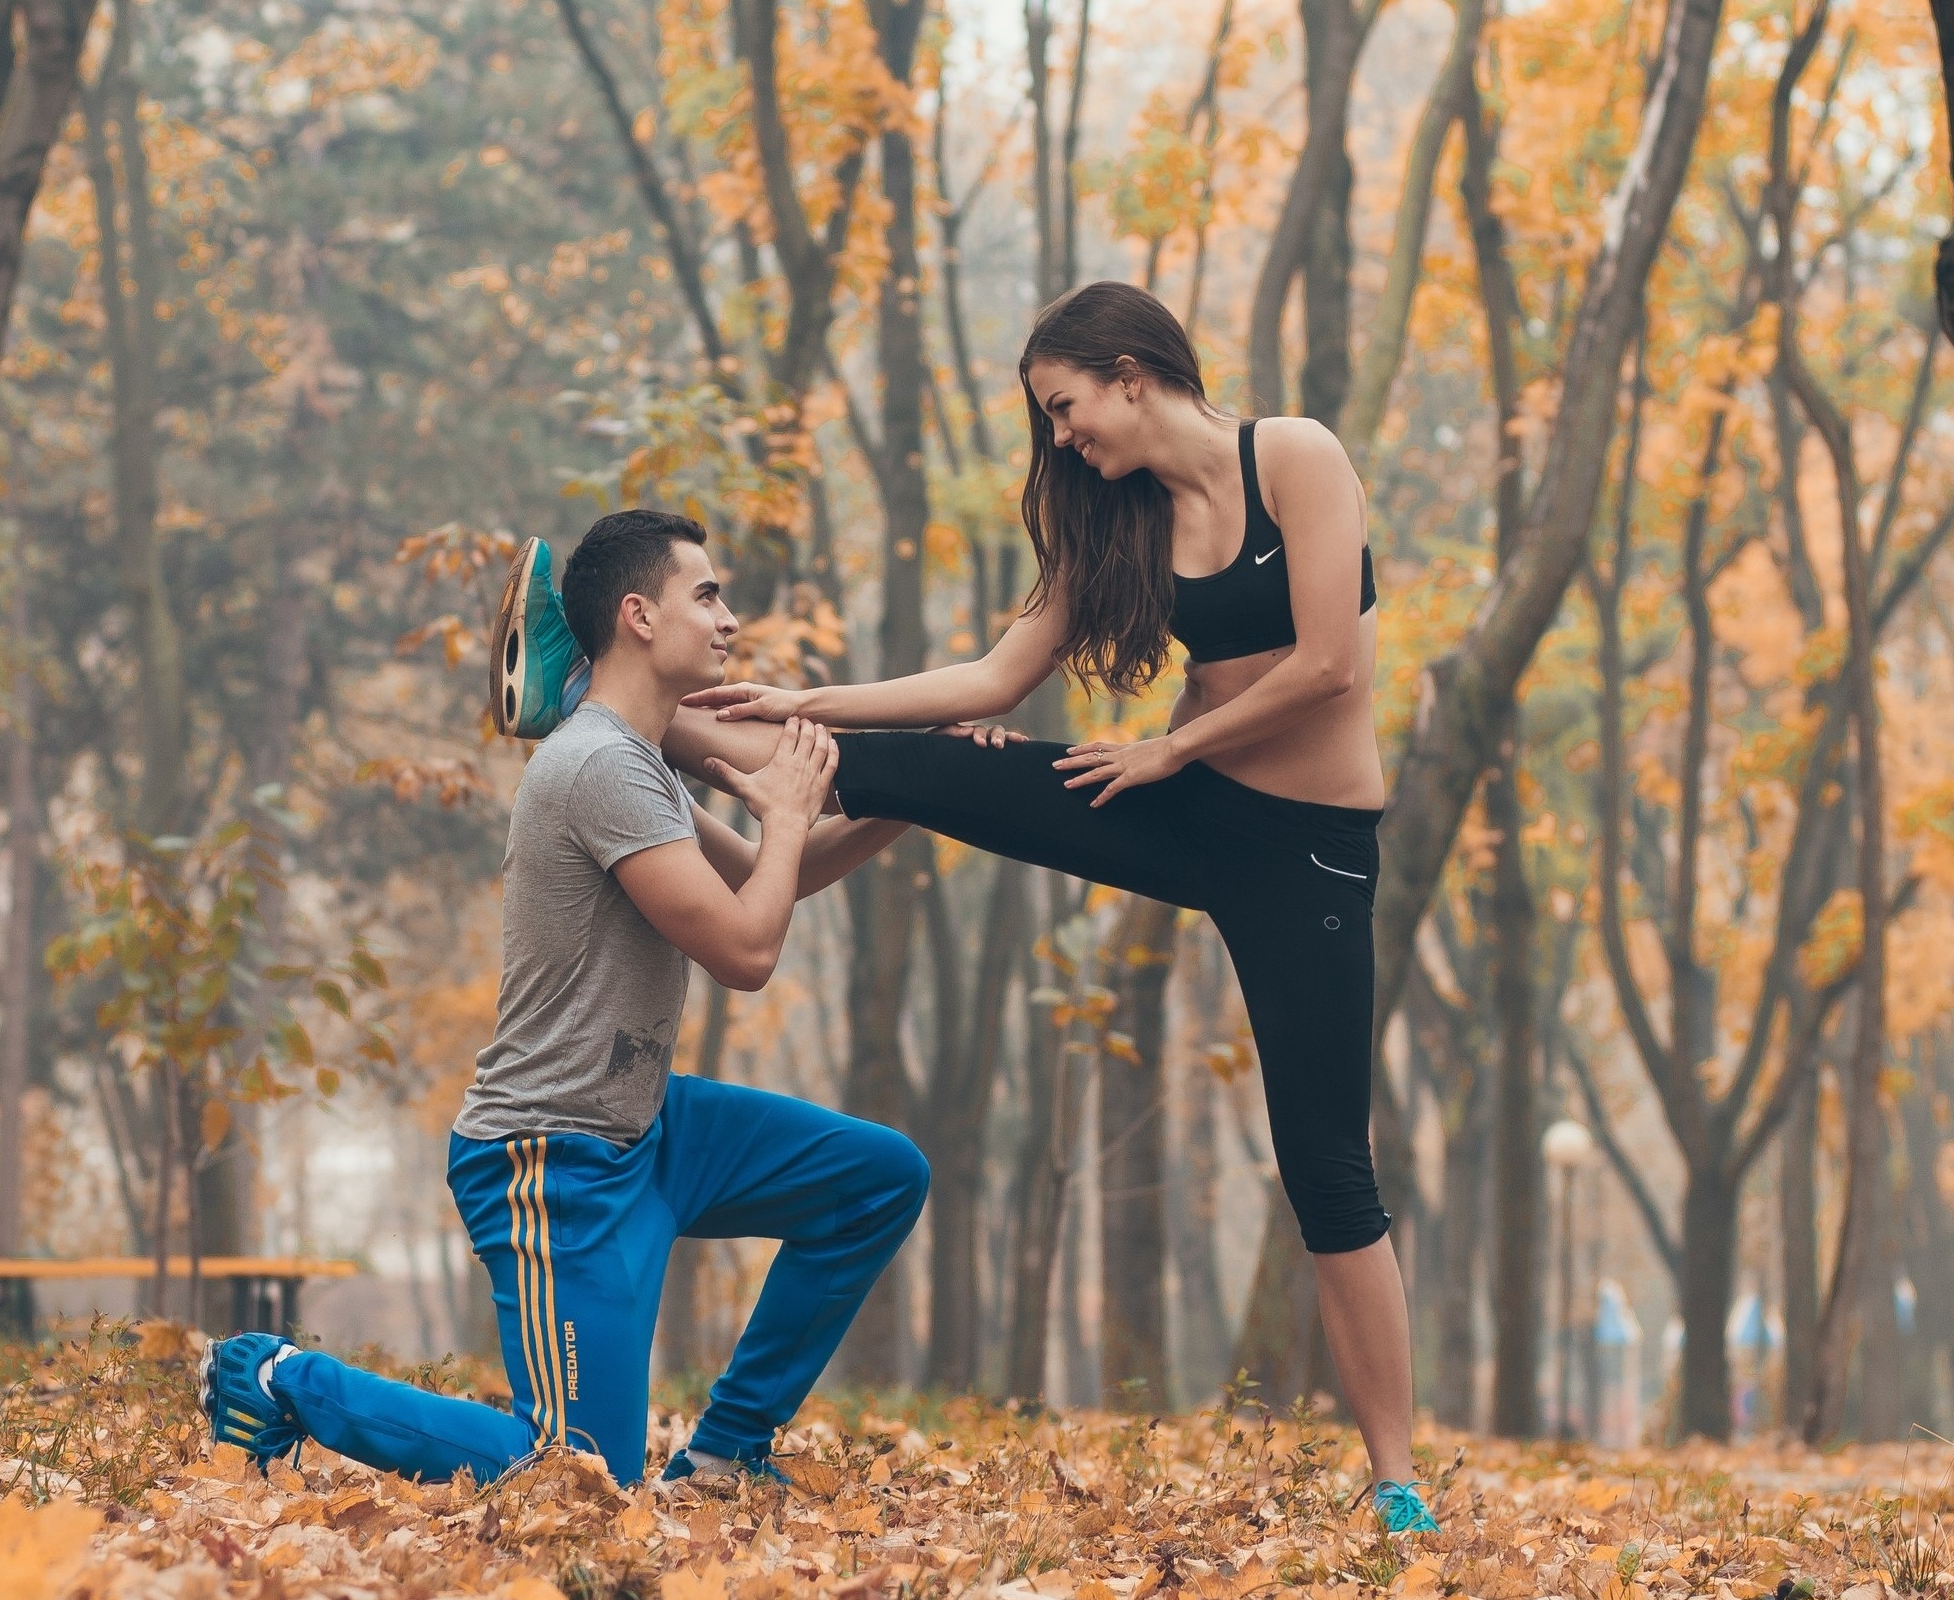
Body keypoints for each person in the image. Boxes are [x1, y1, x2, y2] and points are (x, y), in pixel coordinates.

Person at [506, 282, 1436, 1531]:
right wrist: (803, 702)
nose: (1062, 438)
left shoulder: (1295, 457)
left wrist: (1167, 750)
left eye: (1064, 408)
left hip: (1305, 853)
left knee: (1327, 1166)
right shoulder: (1123, 524)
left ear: (1126, 372)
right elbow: (993, 674)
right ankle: (608, 703)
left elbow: (1334, 664)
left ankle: (1398, 1484)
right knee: (943, 762)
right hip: (1176, 806)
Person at [200, 509, 926, 1489]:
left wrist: (921, 793)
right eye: (705, 594)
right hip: (553, 1156)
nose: (728, 619)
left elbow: (771, 877)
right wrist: (792, 806)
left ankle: (724, 1449)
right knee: (576, 1473)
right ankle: (281, 1376)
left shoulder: (642, 760)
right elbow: (746, 950)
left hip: (645, 1126)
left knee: (876, 1177)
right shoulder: (593, 766)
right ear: (636, 614)